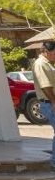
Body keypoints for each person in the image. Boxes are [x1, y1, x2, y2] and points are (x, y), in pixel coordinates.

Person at [32, 39, 55, 169]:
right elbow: (46, 86)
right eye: (54, 53)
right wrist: (53, 102)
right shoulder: (40, 64)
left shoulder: (48, 64)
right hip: (49, 103)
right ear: (46, 51)